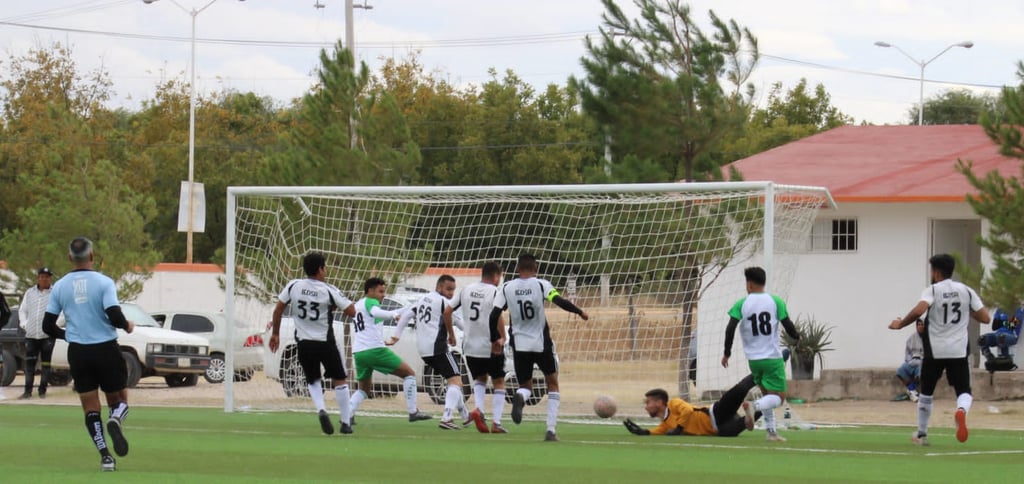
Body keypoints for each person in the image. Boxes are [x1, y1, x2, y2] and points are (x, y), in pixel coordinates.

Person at [41, 237, 134, 472]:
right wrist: (127, 325)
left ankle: (106, 457)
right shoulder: (104, 283)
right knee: (119, 400)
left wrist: (70, 335)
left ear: (70, 258)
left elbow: (48, 326)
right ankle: (116, 420)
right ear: (92, 257)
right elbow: (113, 314)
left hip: (79, 352)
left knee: (90, 407)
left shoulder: (60, 285)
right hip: (105, 348)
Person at [889, 253, 990, 446]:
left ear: (936, 272)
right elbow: (985, 318)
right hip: (958, 350)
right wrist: (967, 311)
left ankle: (922, 434)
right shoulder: (966, 291)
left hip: (935, 350)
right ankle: (961, 411)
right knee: (963, 390)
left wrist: (900, 324)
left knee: (926, 392)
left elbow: (920, 310)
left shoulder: (933, 291)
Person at [488, 254, 589, 442]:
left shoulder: (507, 287)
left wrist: (495, 339)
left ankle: (519, 396)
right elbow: (559, 301)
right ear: (536, 269)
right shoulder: (542, 285)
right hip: (541, 343)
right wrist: (580, 312)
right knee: (552, 383)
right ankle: (550, 430)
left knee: (526, 385)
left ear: (518, 269)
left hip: (519, 344)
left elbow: (494, 315)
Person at [268, 252, 357, 436]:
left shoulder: (293, 285)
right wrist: (333, 305)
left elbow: (278, 310)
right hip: (325, 342)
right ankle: (346, 422)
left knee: (313, 379)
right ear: (320, 269)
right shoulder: (328, 289)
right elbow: (352, 311)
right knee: (339, 379)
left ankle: (321, 409)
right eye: (325, 266)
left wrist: (275, 334)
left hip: (303, 342)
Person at [721, 266, 800, 443]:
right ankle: (753, 407)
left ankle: (771, 432)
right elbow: (788, 325)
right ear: (763, 282)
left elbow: (730, 328)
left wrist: (727, 353)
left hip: (754, 360)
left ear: (749, 284)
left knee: (767, 395)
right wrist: (797, 337)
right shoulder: (775, 301)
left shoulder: (742, 304)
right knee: (778, 398)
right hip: (772, 358)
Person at [392, 275, 477, 431]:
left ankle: (465, 416)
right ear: (439, 287)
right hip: (438, 348)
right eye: (448, 289)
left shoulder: (423, 299)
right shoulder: (444, 302)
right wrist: (470, 335)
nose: (451, 293)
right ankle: (447, 417)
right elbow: (458, 322)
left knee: (453, 381)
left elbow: (406, 316)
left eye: (453, 290)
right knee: (456, 381)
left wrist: (396, 336)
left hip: (424, 351)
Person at [348, 277, 431, 423]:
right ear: (370, 291)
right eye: (380, 291)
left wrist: (411, 308)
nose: (383, 295)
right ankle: (413, 411)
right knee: (409, 374)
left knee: (364, 389)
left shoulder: (359, 305)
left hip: (359, 352)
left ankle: (347, 414)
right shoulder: (370, 302)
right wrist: (393, 315)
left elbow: (378, 314)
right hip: (374, 350)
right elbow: (376, 312)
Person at [451, 261, 508, 433]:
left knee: (480, 379)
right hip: (490, 345)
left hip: (470, 345)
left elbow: (447, 311)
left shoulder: (466, 289)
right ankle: (496, 423)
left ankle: (479, 410)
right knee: (498, 381)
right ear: (496, 276)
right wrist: (502, 337)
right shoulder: (495, 292)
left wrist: (451, 334)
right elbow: (496, 314)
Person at [623, 374, 762, 437]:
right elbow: (657, 431)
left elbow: (688, 411)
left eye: (648, 402)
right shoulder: (665, 424)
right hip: (719, 430)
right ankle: (767, 403)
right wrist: (642, 432)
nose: (646, 406)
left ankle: (760, 371)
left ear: (659, 403)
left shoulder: (674, 404)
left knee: (739, 391)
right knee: (741, 425)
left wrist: (679, 428)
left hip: (715, 414)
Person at [19, 267, 56, 400]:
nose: (44, 279)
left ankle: (42, 391)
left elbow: (62, 311)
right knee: (29, 364)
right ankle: (27, 391)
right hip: (31, 334)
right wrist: (24, 323)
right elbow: (23, 310)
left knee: (46, 364)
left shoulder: (54, 293)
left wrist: (55, 325)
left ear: (50, 278)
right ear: (38, 278)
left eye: (47, 276)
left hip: (47, 335)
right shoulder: (30, 293)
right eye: (42, 276)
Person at [895, 319, 925, 402]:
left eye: (922, 324)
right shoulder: (911, 338)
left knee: (921, 373)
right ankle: (912, 390)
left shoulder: (928, 338)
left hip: (923, 362)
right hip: (912, 361)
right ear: (916, 326)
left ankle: (911, 390)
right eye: (919, 324)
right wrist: (909, 361)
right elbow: (907, 352)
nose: (920, 326)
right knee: (900, 371)